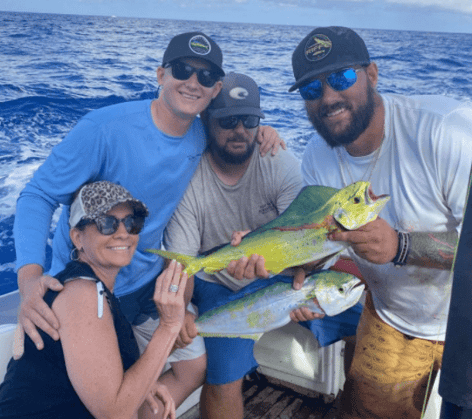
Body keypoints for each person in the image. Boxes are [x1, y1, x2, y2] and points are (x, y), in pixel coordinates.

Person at [12, 31, 279, 410]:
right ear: (160, 75)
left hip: (149, 286)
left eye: (205, 77)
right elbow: (37, 196)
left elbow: (233, 135)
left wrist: (264, 132)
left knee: (192, 366)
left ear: (215, 88)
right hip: (94, 287)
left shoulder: (202, 135)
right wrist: (28, 282)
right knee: (104, 401)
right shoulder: (103, 129)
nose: (193, 82)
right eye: (183, 70)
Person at [285, 26, 472, 419]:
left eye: (340, 78)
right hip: (392, 318)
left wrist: (401, 247)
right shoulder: (316, 157)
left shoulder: (446, 129)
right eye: (311, 90)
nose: (329, 97)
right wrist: (298, 271)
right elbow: (321, 244)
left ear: (372, 74)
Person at [164, 72, 363, 419]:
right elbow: (184, 266)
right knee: (224, 374)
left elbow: (309, 244)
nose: (239, 130)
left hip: (286, 276)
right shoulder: (188, 178)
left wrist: (301, 280)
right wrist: (179, 311)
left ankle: (353, 408)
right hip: (219, 283)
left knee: (366, 327)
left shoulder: (280, 162)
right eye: (227, 120)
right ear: (207, 120)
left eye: (249, 120)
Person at [0, 180, 187, 419]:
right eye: (106, 223)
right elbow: (115, 414)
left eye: (132, 223)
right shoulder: (82, 294)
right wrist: (169, 326)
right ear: (77, 237)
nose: (123, 233)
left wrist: (143, 381)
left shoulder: (92, 288)